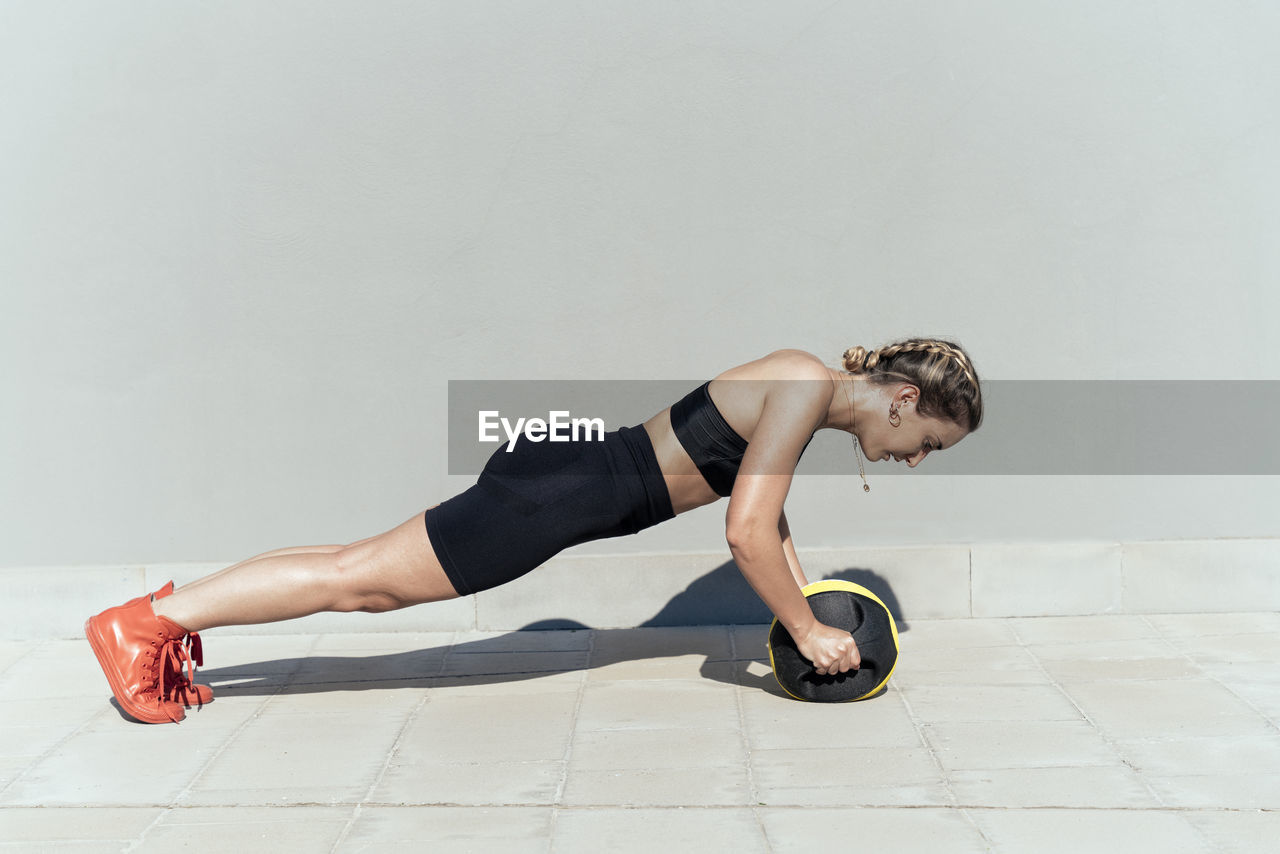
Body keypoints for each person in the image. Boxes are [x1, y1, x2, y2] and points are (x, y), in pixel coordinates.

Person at [86, 338, 983, 723]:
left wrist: (811, 599)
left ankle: (167, 615)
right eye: (927, 443)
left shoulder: (802, 387)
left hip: (572, 474)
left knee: (354, 566)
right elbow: (745, 536)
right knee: (361, 581)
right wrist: (805, 629)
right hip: (562, 493)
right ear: (905, 400)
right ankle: (143, 626)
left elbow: (768, 513)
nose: (915, 460)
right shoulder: (802, 386)